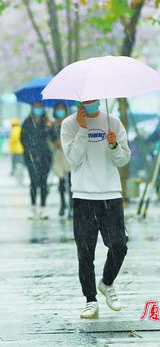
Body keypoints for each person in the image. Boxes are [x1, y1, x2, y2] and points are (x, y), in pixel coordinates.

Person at [61, 99, 131, 319]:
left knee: (119, 244)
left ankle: (107, 283)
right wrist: (82, 129)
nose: (90, 102)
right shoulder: (69, 124)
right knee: (85, 252)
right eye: (85, 99)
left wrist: (114, 146)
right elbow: (74, 158)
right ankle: (90, 300)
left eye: (93, 98)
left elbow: (124, 159)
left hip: (110, 194)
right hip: (83, 195)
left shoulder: (113, 122)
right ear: (79, 100)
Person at [21, 102, 52, 219]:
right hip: (31, 158)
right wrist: (32, 152)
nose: (38, 108)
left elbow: (53, 138)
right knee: (34, 182)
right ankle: (33, 207)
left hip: (45, 157)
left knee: (43, 183)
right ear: (32, 107)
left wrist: (50, 128)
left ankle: (43, 208)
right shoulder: (27, 122)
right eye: (36, 106)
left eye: (40, 106)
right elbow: (23, 139)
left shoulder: (46, 122)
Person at [49, 102, 72, 217]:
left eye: (62, 109)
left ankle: (72, 205)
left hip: (69, 155)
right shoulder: (52, 125)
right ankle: (63, 204)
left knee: (71, 181)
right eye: (58, 109)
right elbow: (50, 138)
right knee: (61, 181)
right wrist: (55, 142)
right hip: (58, 155)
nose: (60, 111)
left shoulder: (71, 122)